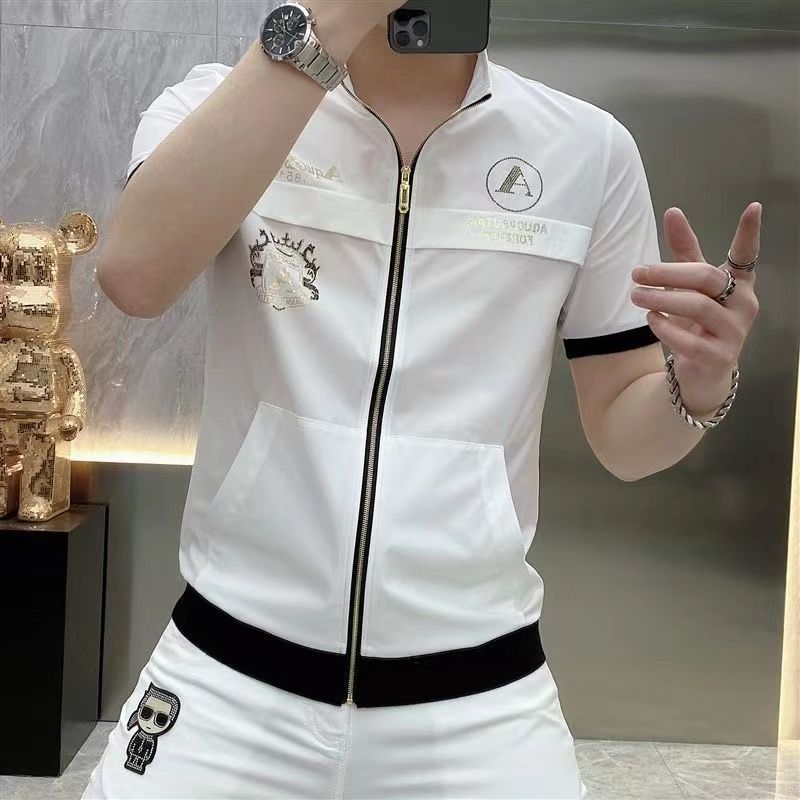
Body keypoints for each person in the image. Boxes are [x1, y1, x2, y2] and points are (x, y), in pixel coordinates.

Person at [83, 1, 761, 798]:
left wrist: (700, 385)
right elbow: (134, 277)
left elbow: (623, 434)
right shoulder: (221, 103)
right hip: (225, 683)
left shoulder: (588, 150)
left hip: (481, 709)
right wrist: (327, 27)